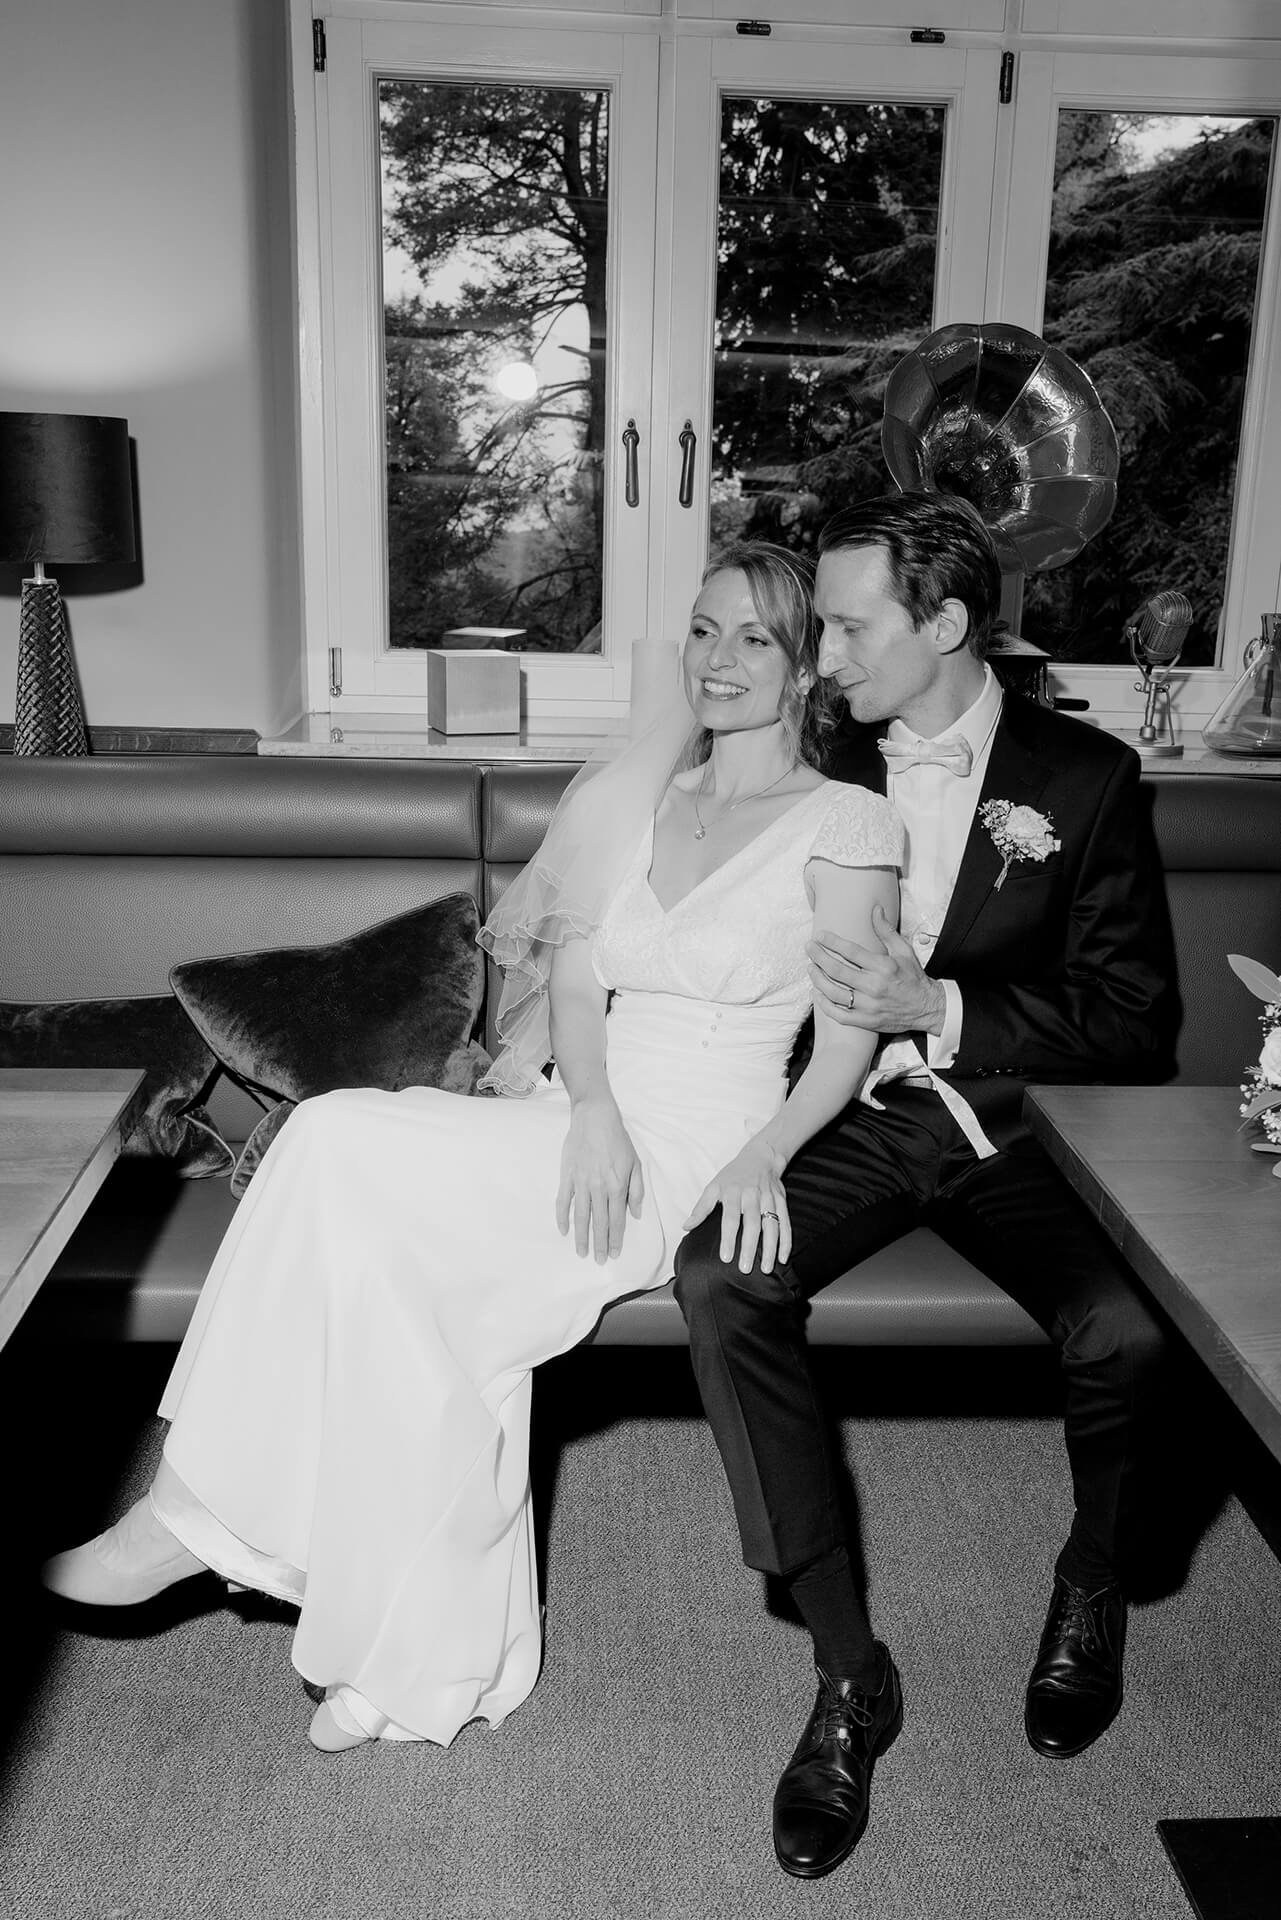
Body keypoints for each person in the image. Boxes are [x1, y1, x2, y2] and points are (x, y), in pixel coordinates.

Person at [42, 543, 908, 1758]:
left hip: (698, 1144)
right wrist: (588, 1108)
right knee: (380, 1243)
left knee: (340, 1142)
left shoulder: (844, 820)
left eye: (755, 638)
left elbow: (849, 1039)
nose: (718, 662)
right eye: (702, 633)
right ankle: (407, 1659)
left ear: (808, 664)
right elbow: (577, 986)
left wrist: (765, 1156)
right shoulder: (650, 801)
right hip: (584, 1112)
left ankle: (195, 1518)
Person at [673, 492, 1175, 1882]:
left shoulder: (1084, 781)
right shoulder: (803, 746)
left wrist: (938, 1004)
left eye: (845, 626)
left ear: (944, 625)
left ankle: (1091, 1578)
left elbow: (1133, 1020)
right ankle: (846, 1669)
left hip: (1014, 1130)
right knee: (718, 1277)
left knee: (1130, 1335)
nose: (818, 655)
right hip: (848, 1122)